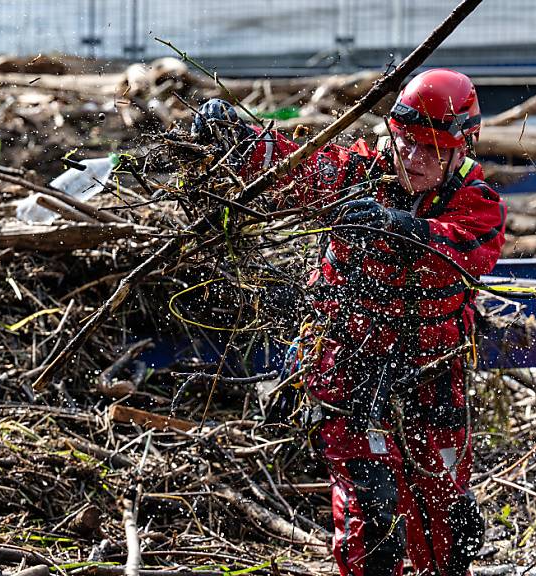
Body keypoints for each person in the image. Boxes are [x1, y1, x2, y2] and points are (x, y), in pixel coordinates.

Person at [193, 69, 506, 576]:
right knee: (375, 516)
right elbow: (301, 169)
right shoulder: (360, 174)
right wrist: (239, 140)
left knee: (450, 518)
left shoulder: (477, 203)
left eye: (431, 149)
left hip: (433, 373)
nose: (414, 159)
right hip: (351, 367)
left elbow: (461, 250)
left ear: (461, 149)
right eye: (407, 143)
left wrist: (399, 226)